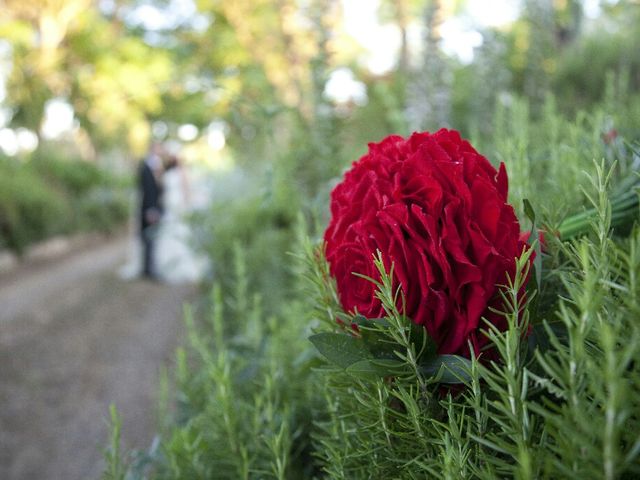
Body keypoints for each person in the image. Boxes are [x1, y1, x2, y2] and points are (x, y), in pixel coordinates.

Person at [153, 153, 209, 284]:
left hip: (179, 208)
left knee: (181, 233)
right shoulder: (165, 173)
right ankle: (167, 267)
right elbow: (161, 188)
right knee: (168, 234)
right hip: (168, 208)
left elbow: (186, 191)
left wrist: (185, 207)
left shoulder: (182, 172)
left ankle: (182, 266)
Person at [138, 143, 164, 280]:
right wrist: (150, 209)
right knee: (148, 238)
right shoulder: (145, 167)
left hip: (154, 207)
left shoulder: (157, 166)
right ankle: (147, 269)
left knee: (152, 239)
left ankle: (149, 267)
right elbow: (147, 191)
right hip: (149, 208)